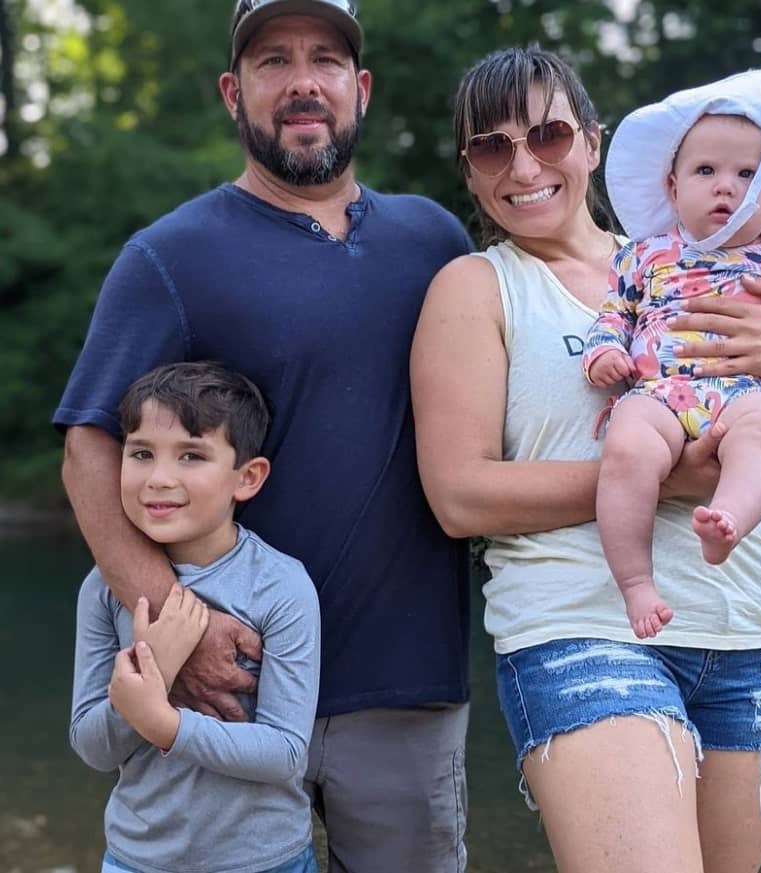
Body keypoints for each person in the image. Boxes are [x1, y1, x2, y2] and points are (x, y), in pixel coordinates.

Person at [411, 45, 761, 873]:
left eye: (547, 135)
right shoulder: (476, 287)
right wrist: (657, 478)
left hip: (752, 628)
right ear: (470, 173)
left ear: (594, 143)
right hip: (582, 625)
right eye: (491, 147)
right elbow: (460, 497)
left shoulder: (701, 256)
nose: (524, 164)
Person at [54, 2, 473, 870]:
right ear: (232, 93)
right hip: (227, 689)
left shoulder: (436, 243)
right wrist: (183, 625)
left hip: (403, 682)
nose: (302, 82)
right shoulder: (169, 257)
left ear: (360, 89)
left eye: (324, 59)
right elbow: (90, 449)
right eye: (273, 60)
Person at [581, 71, 761, 639]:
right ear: (672, 188)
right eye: (706, 171)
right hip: (661, 391)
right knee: (626, 448)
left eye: (748, 175)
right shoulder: (644, 256)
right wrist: (602, 354)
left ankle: (730, 521)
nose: (726, 188)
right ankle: (636, 583)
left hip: (750, 391)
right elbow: (615, 313)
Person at [70, 361, 321, 873]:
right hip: (136, 859)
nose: (159, 478)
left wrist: (164, 723)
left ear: (247, 478)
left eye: (191, 455)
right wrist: (151, 675)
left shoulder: (281, 586)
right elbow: (92, 747)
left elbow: (285, 753)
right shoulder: (103, 586)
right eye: (141, 453)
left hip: (264, 861)